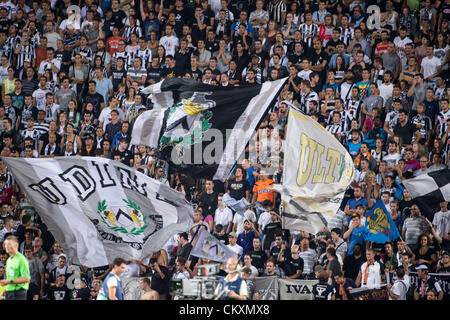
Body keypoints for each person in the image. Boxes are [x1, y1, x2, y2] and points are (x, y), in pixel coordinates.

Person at [0, 235, 30, 300]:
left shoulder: (22, 259)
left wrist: (9, 282)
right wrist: (3, 293)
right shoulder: (8, 260)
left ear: (16, 245)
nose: (6, 246)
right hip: (9, 293)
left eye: (9, 244)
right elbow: (10, 278)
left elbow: (26, 279)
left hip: (19, 293)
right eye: (5, 244)